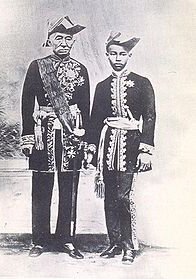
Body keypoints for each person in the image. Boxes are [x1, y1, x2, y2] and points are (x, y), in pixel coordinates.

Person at [21, 16, 90, 259]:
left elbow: (86, 107)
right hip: (44, 132)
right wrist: (28, 136)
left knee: (69, 187)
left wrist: (86, 141)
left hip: (71, 133)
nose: (63, 42)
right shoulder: (37, 66)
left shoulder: (81, 69)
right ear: (49, 40)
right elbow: (27, 102)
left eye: (68, 38)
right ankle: (39, 240)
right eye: (58, 38)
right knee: (41, 187)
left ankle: (67, 240)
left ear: (73, 42)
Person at [87, 31, 156, 263]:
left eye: (122, 54)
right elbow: (95, 120)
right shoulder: (102, 86)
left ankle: (129, 245)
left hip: (131, 144)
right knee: (109, 196)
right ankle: (114, 242)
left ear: (129, 55)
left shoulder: (142, 83)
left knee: (123, 196)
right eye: (113, 54)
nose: (118, 58)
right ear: (107, 56)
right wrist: (91, 149)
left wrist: (146, 149)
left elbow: (149, 116)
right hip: (107, 145)